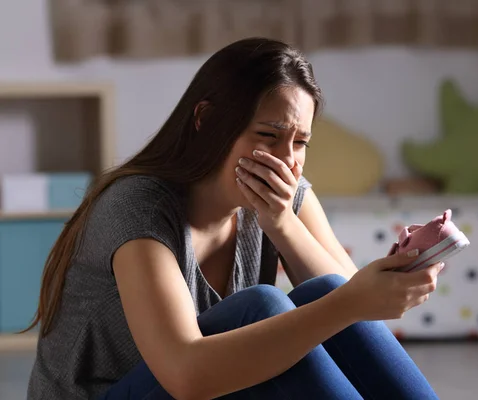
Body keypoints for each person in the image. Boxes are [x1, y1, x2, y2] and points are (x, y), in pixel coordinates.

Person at [24, 37, 442, 400]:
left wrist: (282, 224)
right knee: (262, 307)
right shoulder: (137, 207)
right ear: (205, 121)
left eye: (300, 142)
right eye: (268, 135)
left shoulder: (288, 195)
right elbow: (185, 375)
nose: (286, 160)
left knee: (327, 291)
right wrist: (351, 300)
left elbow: (352, 310)